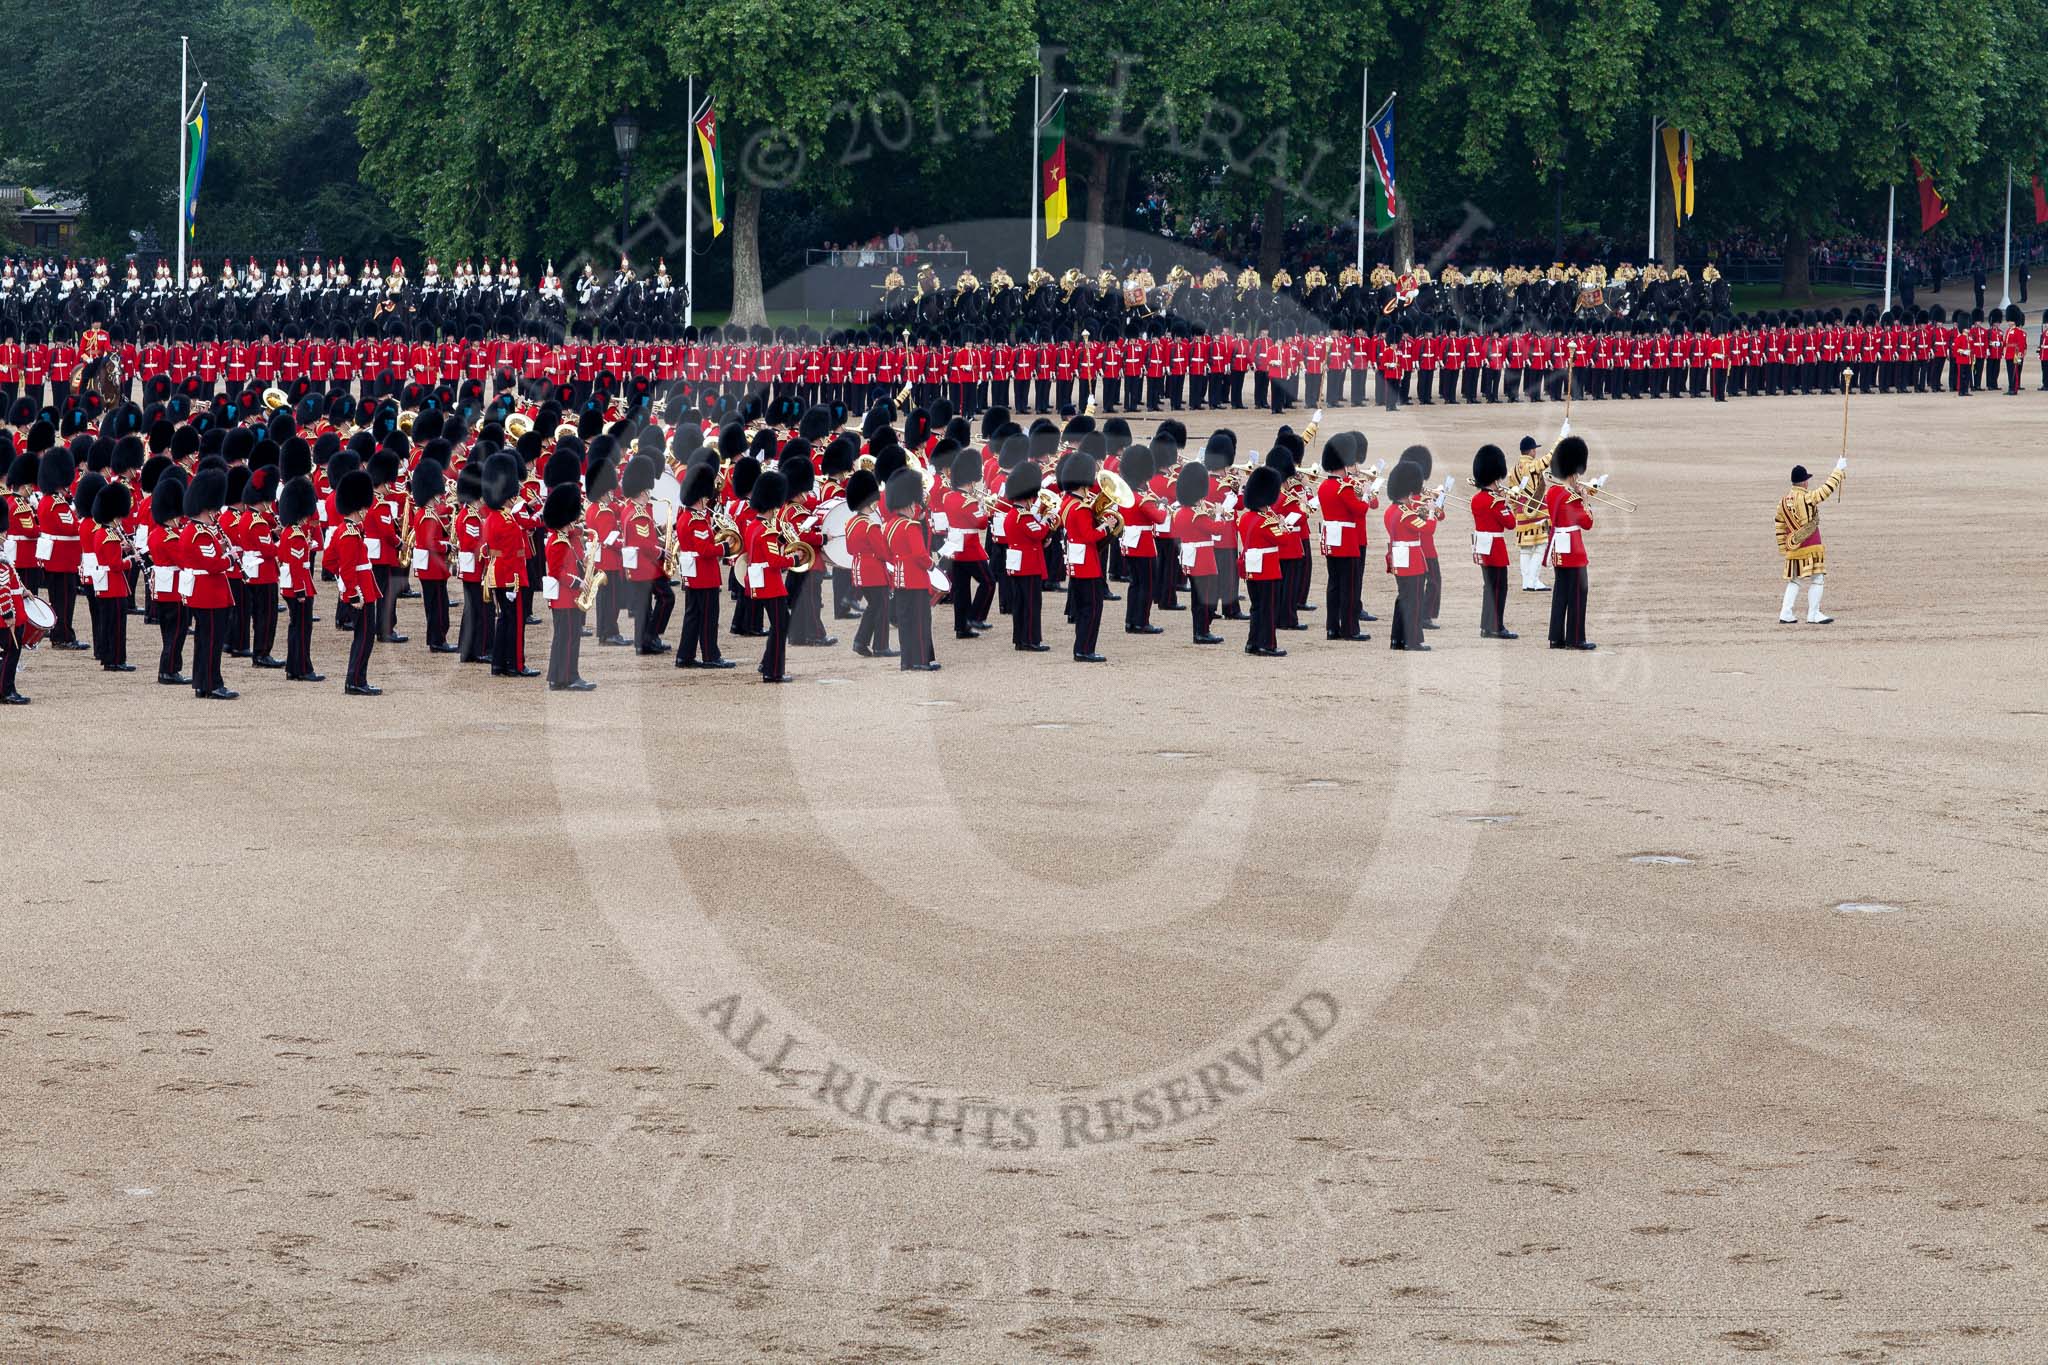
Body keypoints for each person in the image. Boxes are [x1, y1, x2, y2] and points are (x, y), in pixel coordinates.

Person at [179, 466, 238, 699]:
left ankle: (203, 683)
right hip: (209, 593)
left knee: (205, 640)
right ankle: (212, 683)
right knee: (211, 641)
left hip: (204, 593)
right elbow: (212, 565)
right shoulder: (200, 533)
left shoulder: (197, 530)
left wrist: (220, 549)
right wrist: (230, 558)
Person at [672, 459, 734, 669]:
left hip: (694, 575)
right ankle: (710, 655)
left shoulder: (688, 516)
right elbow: (706, 550)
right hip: (703, 575)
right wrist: (725, 548)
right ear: (701, 495)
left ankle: (685, 656)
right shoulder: (696, 520)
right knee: (708, 618)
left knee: (693, 617)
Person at [479, 451, 536, 677]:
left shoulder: (493, 517)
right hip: (511, 577)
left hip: (497, 574)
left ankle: (500, 663)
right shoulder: (508, 521)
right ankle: (516, 664)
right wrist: (516, 584)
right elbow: (514, 554)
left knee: (503, 620)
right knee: (515, 622)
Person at [1314, 438, 1374, 642]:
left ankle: (1332, 627)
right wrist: (1365, 495)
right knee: (1348, 586)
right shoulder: (1344, 487)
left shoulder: (1323, 486)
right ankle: (1350, 629)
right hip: (1347, 541)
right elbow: (1360, 511)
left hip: (1331, 539)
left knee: (1334, 585)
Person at [1776, 458, 1846, 624]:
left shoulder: (1783, 502)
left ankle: (1786, 613)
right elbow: (1826, 490)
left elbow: (1779, 525)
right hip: (1811, 544)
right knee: (1817, 579)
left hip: (1793, 546)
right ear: (1804, 482)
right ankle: (1813, 614)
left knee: (1795, 580)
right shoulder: (1807, 497)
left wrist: (1783, 547)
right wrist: (1838, 470)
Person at [742, 466, 797, 682]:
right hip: (771, 585)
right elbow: (774, 561)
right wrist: (794, 559)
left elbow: (763, 551)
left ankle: (767, 663)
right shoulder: (767, 531)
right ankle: (773, 672)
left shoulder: (754, 526)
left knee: (780, 623)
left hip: (759, 582)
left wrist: (780, 541)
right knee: (781, 625)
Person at [331, 469, 383, 694]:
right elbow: (346, 567)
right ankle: (355, 681)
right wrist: (352, 593)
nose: (366, 511)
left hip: (363, 588)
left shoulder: (346, 530)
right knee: (364, 638)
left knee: (365, 637)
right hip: (361, 592)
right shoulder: (350, 534)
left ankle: (358, 679)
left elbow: (331, 561)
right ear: (358, 506)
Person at [541, 482, 596, 691]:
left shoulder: (564, 537)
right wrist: (578, 582)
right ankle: (568, 677)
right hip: (565, 597)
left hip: (568, 598)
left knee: (567, 638)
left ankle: (560, 677)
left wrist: (577, 526)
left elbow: (576, 534)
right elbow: (557, 573)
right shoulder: (558, 542)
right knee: (568, 639)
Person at [1543, 435, 1595, 650]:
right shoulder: (1571, 497)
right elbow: (1587, 522)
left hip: (1557, 547)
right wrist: (1585, 500)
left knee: (1560, 593)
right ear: (1573, 472)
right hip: (1573, 549)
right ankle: (1575, 638)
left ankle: (1556, 637)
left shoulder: (1552, 492)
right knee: (1577, 593)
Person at [1057, 451, 1110, 662]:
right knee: (1093, 607)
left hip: (1076, 560)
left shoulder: (1068, 502)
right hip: (1087, 562)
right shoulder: (1080, 507)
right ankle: (1085, 649)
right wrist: (1106, 527)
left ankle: (1082, 647)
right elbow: (1090, 536)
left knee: (1083, 607)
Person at [999, 461, 1052, 651]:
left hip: (1018, 563)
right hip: (1028, 565)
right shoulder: (1024, 516)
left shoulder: (1013, 514)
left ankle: (1020, 639)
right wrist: (1047, 521)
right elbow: (1038, 533)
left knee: (1021, 604)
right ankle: (1031, 639)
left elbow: (1030, 537)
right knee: (1031, 604)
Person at [276, 474, 323, 682]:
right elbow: (296, 566)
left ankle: (294, 667)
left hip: (294, 585)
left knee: (297, 628)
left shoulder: (289, 531)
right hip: (299, 586)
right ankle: (303, 668)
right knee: (302, 629)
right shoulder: (295, 535)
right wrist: (301, 591)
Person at [1170, 461, 1223, 644]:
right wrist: (1218, 514)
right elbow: (1217, 529)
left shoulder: (1181, 512)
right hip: (1203, 561)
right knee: (1205, 599)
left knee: (1197, 599)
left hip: (1191, 559)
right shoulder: (1197, 515)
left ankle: (1199, 631)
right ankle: (1202, 632)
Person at [1236, 464, 1286, 657]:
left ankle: (1253, 642)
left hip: (1252, 567)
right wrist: (1283, 524)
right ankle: (1267, 644)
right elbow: (1284, 540)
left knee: (1256, 606)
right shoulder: (1267, 521)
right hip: (1267, 568)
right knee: (1268, 607)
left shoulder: (1245, 518)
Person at [1469, 444, 1517, 639]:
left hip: (1481, 544)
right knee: (1499, 588)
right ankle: (1496, 626)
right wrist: (1507, 502)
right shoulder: (1495, 502)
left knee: (1488, 586)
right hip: (1495, 547)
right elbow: (1511, 523)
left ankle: (1486, 625)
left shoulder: (1476, 499)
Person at [1382, 460, 1429, 651]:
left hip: (1400, 557)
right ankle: (1412, 640)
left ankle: (1398, 638)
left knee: (1403, 599)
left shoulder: (1393, 511)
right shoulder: (1405, 513)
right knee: (1414, 601)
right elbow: (1428, 530)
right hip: (1412, 560)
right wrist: (1431, 513)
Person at [0, 551, 29, 702]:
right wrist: (8, 615)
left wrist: (23, 592)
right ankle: (6, 691)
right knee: (10, 653)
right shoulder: (1, 560)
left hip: (9, 613)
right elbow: (3, 590)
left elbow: (12, 582)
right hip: (9, 615)